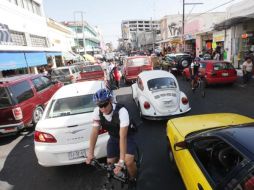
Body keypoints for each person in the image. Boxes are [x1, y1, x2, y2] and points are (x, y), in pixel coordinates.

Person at [85, 88, 137, 181]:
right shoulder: (97, 112)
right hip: (113, 137)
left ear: (110, 101)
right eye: (100, 106)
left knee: (128, 161)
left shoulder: (122, 111)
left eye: (105, 104)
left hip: (127, 137)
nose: (103, 108)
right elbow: (94, 132)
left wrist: (121, 161)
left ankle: (134, 178)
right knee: (110, 163)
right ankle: (120, 172)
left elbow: (123, 137)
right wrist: (90, 153)